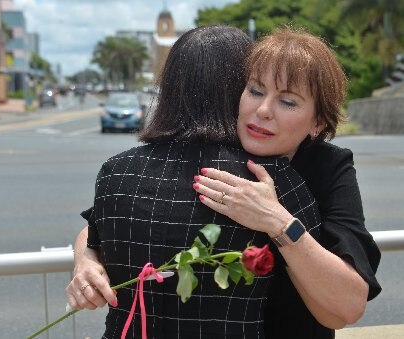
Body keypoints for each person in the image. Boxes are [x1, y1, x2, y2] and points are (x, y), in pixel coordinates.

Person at [65, 25, 322, 338]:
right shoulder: (267, 179)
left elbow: (95, 231)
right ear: (240, 87)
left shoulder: (116, 172)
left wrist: (84, 259)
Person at [192, 27, 381, 338]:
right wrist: (89, 260)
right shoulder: (211, 146)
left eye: (288, 102)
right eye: (255, 91)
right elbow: (106, 217)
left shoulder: (328, 165)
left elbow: (348, 306)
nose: (263, 111)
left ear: (318, 123)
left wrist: (276, 221)